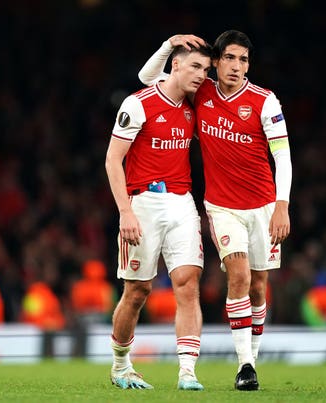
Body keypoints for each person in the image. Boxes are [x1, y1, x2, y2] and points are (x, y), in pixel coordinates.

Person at [138, 30, 292, 391]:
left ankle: (252, 355)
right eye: (231, 58)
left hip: (264, 206)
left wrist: (281, 205)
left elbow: (282, 156)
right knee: (237, 275)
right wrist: (166, 46)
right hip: (222, 207)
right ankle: (246, 366)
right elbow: (148, 79)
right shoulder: (201, 90)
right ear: (217, 62)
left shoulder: (264, 101)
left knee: (258, 285)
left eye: (244, 60)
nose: (237, 67)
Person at [105, 42, 212, 390]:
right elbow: (112, 160)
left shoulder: (193, 106)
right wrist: (125, 212)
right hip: (143, 203)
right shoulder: (138, 104)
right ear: (175, 65)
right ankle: (121, 366)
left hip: (182, 201)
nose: (202, 75)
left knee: (187, 282)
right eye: (195, 67)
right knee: (137, 291)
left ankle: (187, 373)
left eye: (205, 70)